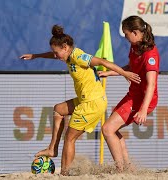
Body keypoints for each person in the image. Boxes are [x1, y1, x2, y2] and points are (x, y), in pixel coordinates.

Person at [20, 24, 141, 175]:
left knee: (69, 138)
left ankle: (64, 174)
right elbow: (53, 55)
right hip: (86, 100)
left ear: (65, 47)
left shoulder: (78, 56)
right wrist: (35, 56)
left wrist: (125, 73)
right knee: (58, 109)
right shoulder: (67, 55)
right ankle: (52, 149)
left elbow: (102, 62)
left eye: (56, 52)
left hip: (92, 103)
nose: (55, 56)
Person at [98, 15, 160, 172]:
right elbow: (131, 67)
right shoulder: (135, 46)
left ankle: (119, 170)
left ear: (135, 32)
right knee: (112, 130)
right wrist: (111, 73)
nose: (125, 37)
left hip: (142, 101)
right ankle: (128, 168)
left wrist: (143, 110)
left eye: (126, 34)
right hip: (132, 96)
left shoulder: (150, 55)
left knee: (107, 129)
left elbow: (151, 84)